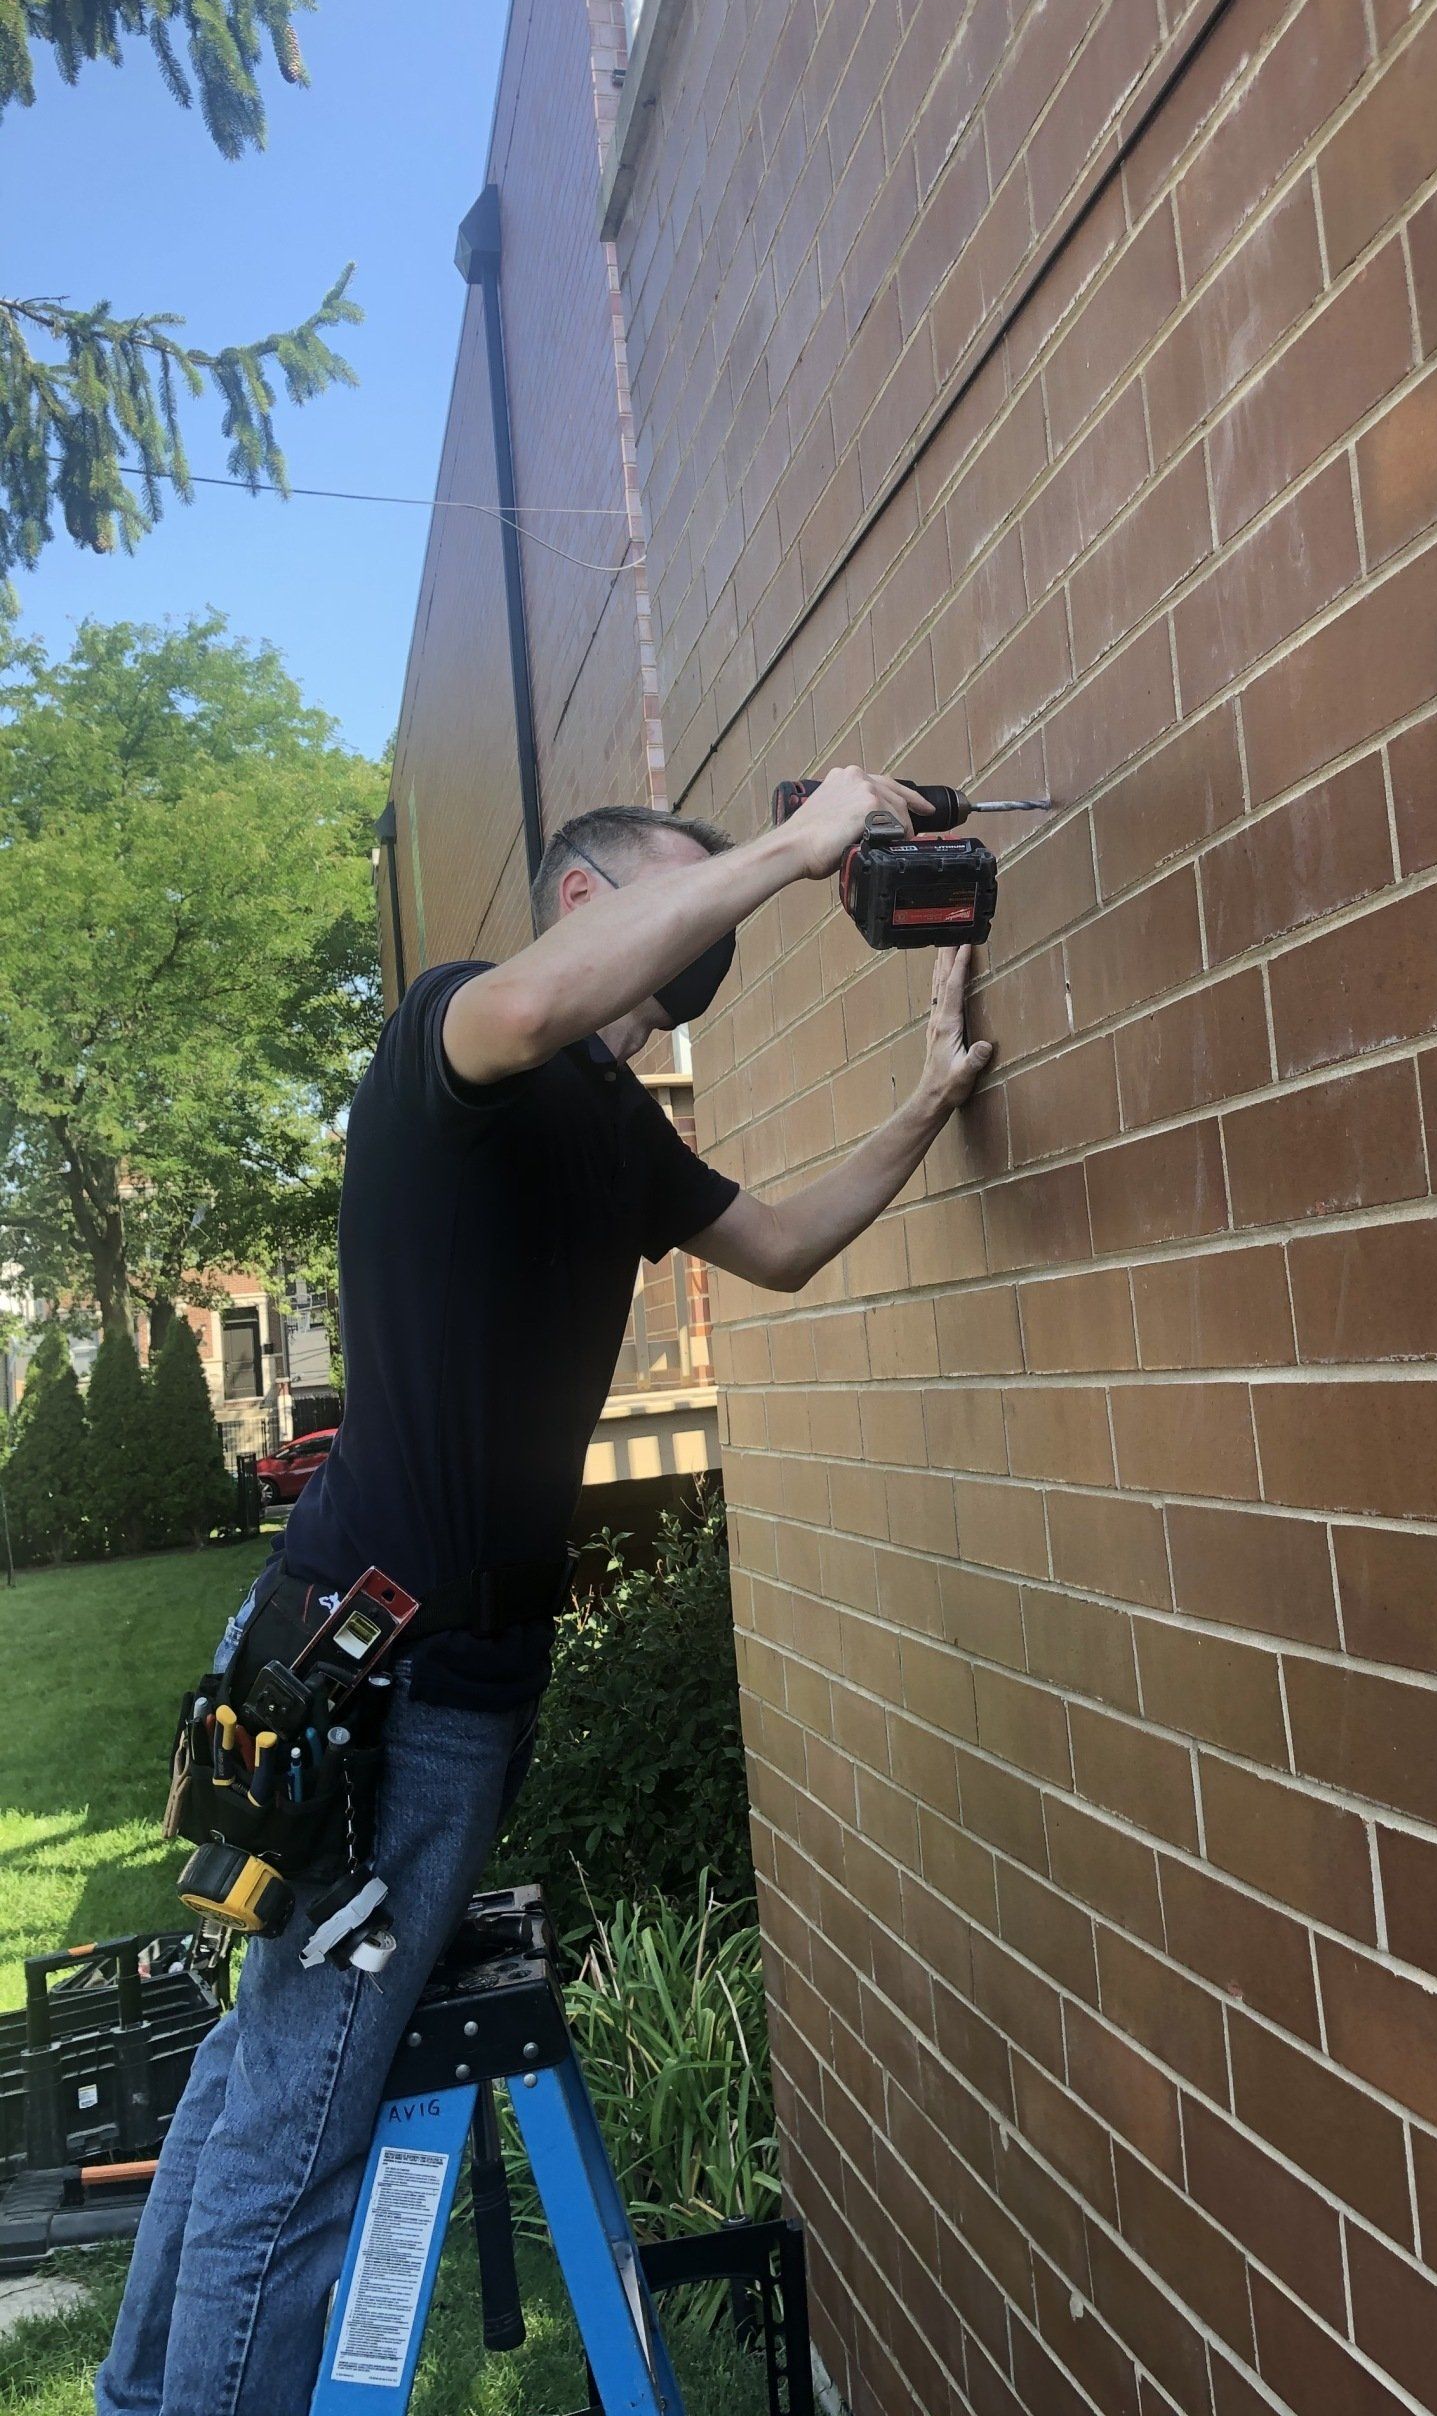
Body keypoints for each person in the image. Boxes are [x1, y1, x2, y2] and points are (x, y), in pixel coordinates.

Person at [98, 767, 993, 2416]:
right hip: (378, 1684)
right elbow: (528, 1006)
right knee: (294, 2131)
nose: (706, 918)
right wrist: (799, 850)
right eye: (682, 892)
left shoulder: (619, 1132)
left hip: (440, 1684)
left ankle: (143, 2399)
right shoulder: (463, 1039)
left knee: (255, 2079)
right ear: (589, 904)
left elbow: (784, 1245)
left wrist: (930, 1097)